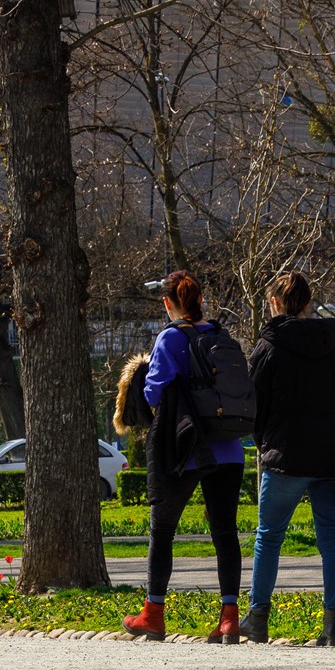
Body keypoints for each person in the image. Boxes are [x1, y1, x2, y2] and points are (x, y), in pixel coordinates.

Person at [122, 270, 246, 643]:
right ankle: (229, 619)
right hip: (228, 448)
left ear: (167, 303)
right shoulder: (221, 335)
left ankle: (153, 614)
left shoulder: (170, 338)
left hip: (185, 448)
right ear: (200, 299)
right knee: (225, 531)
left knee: (163, 530)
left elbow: (154, 394)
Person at [240, 272, 335, 646]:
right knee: (331, 538)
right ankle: (332, 626)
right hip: (330, 456)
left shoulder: (269, 345)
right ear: (308, 302)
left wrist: (265, 442)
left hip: (285, 456)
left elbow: (253, 405)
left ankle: (258, 618)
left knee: (269, 537)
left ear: (276, 302)